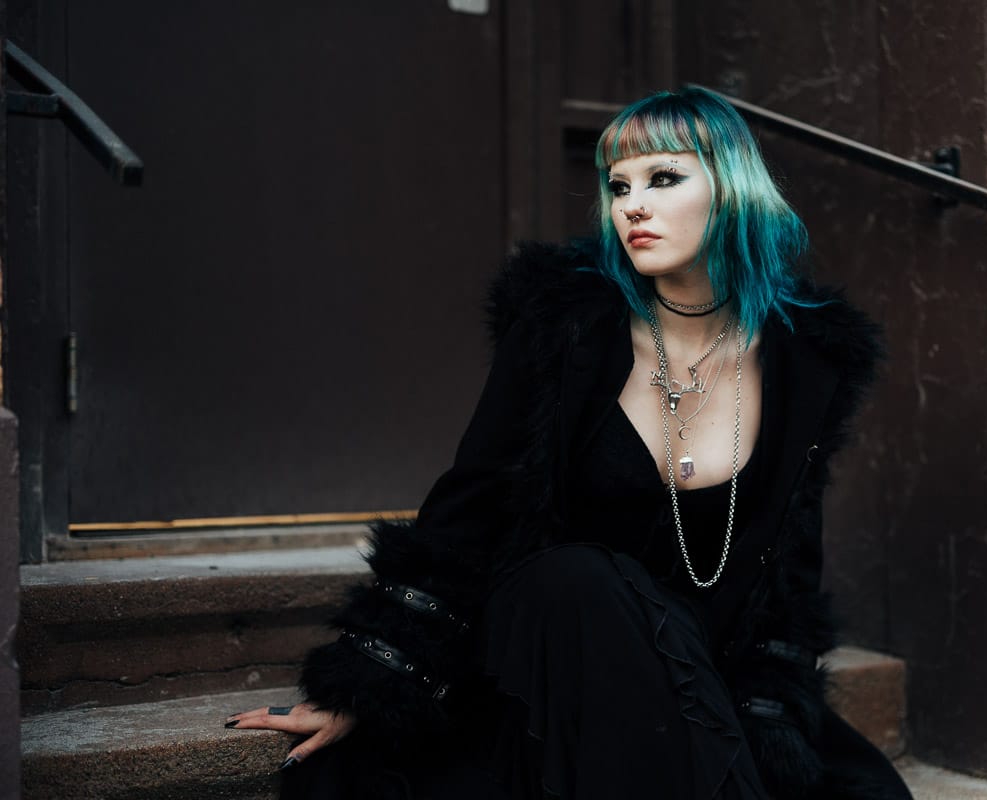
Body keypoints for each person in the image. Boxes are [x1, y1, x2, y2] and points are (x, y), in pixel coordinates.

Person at [227, 86, 912, 800]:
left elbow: (788, 582)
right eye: (618, 186)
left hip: (697, 672)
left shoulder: (805, 362)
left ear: (734, 189)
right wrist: (372, 675)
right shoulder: (566, 325)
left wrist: (767, 713)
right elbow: (473, 502)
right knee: (583, 579)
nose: (631, 206)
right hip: (552, 648)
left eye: (664, 178)